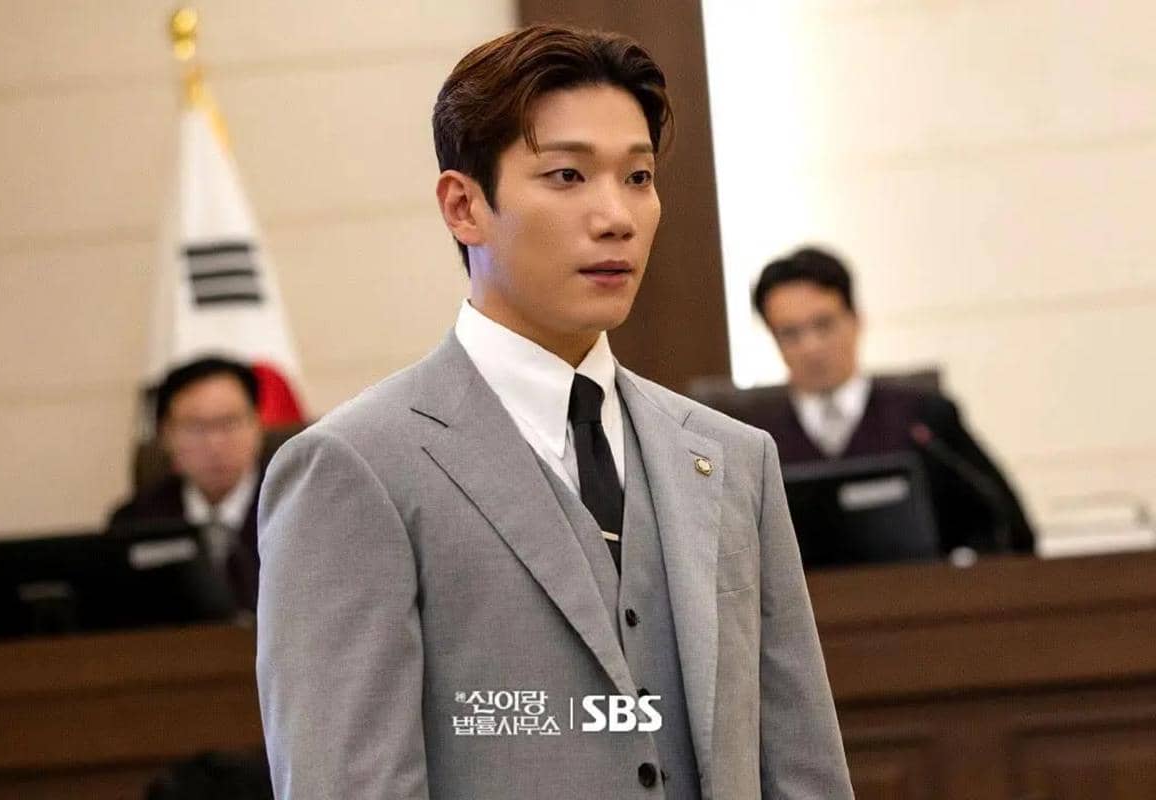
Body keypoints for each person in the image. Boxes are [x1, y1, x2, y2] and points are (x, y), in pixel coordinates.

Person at [257, 25, 853, 799]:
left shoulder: (733, 458)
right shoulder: (355, 469)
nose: (617, 215)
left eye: (638, 177)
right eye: (568, 175)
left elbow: (803, 768)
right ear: (464, 206)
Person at [748, 246, 1035, 555]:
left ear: (856, 320)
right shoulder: (754, 440)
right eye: (790, 334)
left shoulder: (923, 421)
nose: (811, 347)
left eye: (824, 325)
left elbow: (1008, 527)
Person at [109, 356, 264, 611]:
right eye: (196, 427)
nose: (215, 444)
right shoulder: (135, 522)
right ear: (166, 435)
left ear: (257, 425)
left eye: (229, 423)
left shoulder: (295, 510)